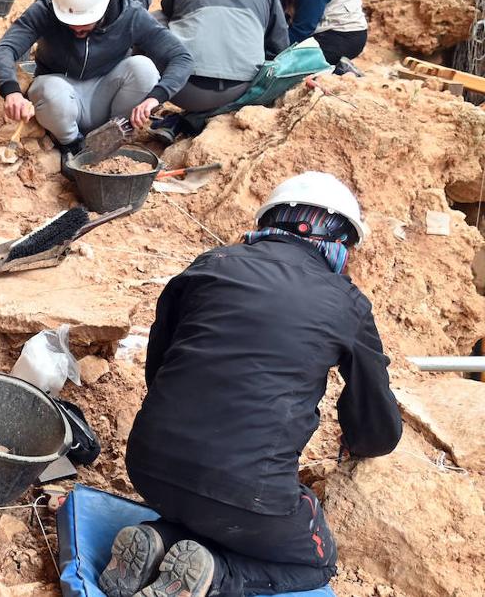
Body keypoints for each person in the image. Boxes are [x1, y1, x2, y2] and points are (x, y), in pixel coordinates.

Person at [102, 172, 402, 597]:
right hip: (248, 496)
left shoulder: (210, 264)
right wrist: (361, 443)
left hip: (149, 469)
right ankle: (215, 575)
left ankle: (159, 541)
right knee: (316, 560)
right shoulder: (347, 302)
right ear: (341, 244)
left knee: (216, 507)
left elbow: (160, 370)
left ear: (268, 224)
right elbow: (375, 421)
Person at [0, 0, 194, 175]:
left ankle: (113, 137)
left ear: (103, 5)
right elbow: (4, 49)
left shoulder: (130, 15)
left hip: (108, 95)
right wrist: (11, 92)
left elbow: (181, 57)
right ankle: (73, 147)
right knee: (48, 89)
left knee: (143, 69)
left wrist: (156, 97)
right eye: (70, 21)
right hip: (62, 100)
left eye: (85, 21)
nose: (76, 28)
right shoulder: (45, 10)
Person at [148, 0, 290, 143]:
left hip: (182, 91)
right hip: (242, 91)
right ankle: (194, 119)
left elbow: (168, 14)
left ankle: (142, 99)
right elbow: (279, 42)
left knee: (155, 20)